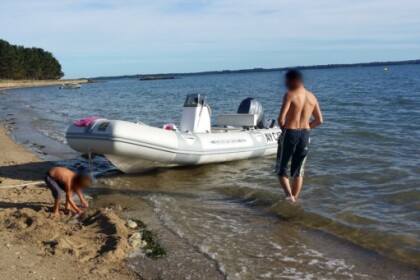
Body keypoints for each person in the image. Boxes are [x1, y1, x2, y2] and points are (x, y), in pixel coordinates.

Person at [276, 69, 323, 202]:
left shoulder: (290, 95)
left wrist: (284, 129)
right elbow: (319, 120)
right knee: (298, 170)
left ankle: (288, 196)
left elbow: (281, 118)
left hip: (290, 132)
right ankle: (294, 199)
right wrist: (308, 127)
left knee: (282, 168)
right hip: (305, 134)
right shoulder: (312, 97)